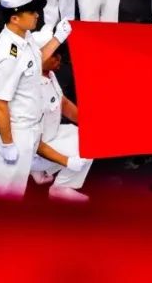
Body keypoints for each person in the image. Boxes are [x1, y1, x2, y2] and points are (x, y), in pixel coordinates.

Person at [0, 0, 72, 199]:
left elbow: (35, 59)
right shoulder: (7, 55)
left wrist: (58, 38)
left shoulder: (24, 37)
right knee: (8, 194)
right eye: (31, 12)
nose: (37, 15)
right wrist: (7, 144)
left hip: (31, 129)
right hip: (16, 131)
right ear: (15, 18)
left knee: (18, 189)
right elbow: (0, 104)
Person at [29, 48, 94, 202]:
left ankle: (41, 171)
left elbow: (63, 103)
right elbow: (33, 141)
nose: (59, 61)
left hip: (51, 135)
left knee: (91, 134)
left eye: (60, 57)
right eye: (55, 57)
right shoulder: (30, 88)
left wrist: (90, 123)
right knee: (89, 146)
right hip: (34, 148)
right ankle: (60, 188)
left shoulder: (49, 75)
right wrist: (68, 162)